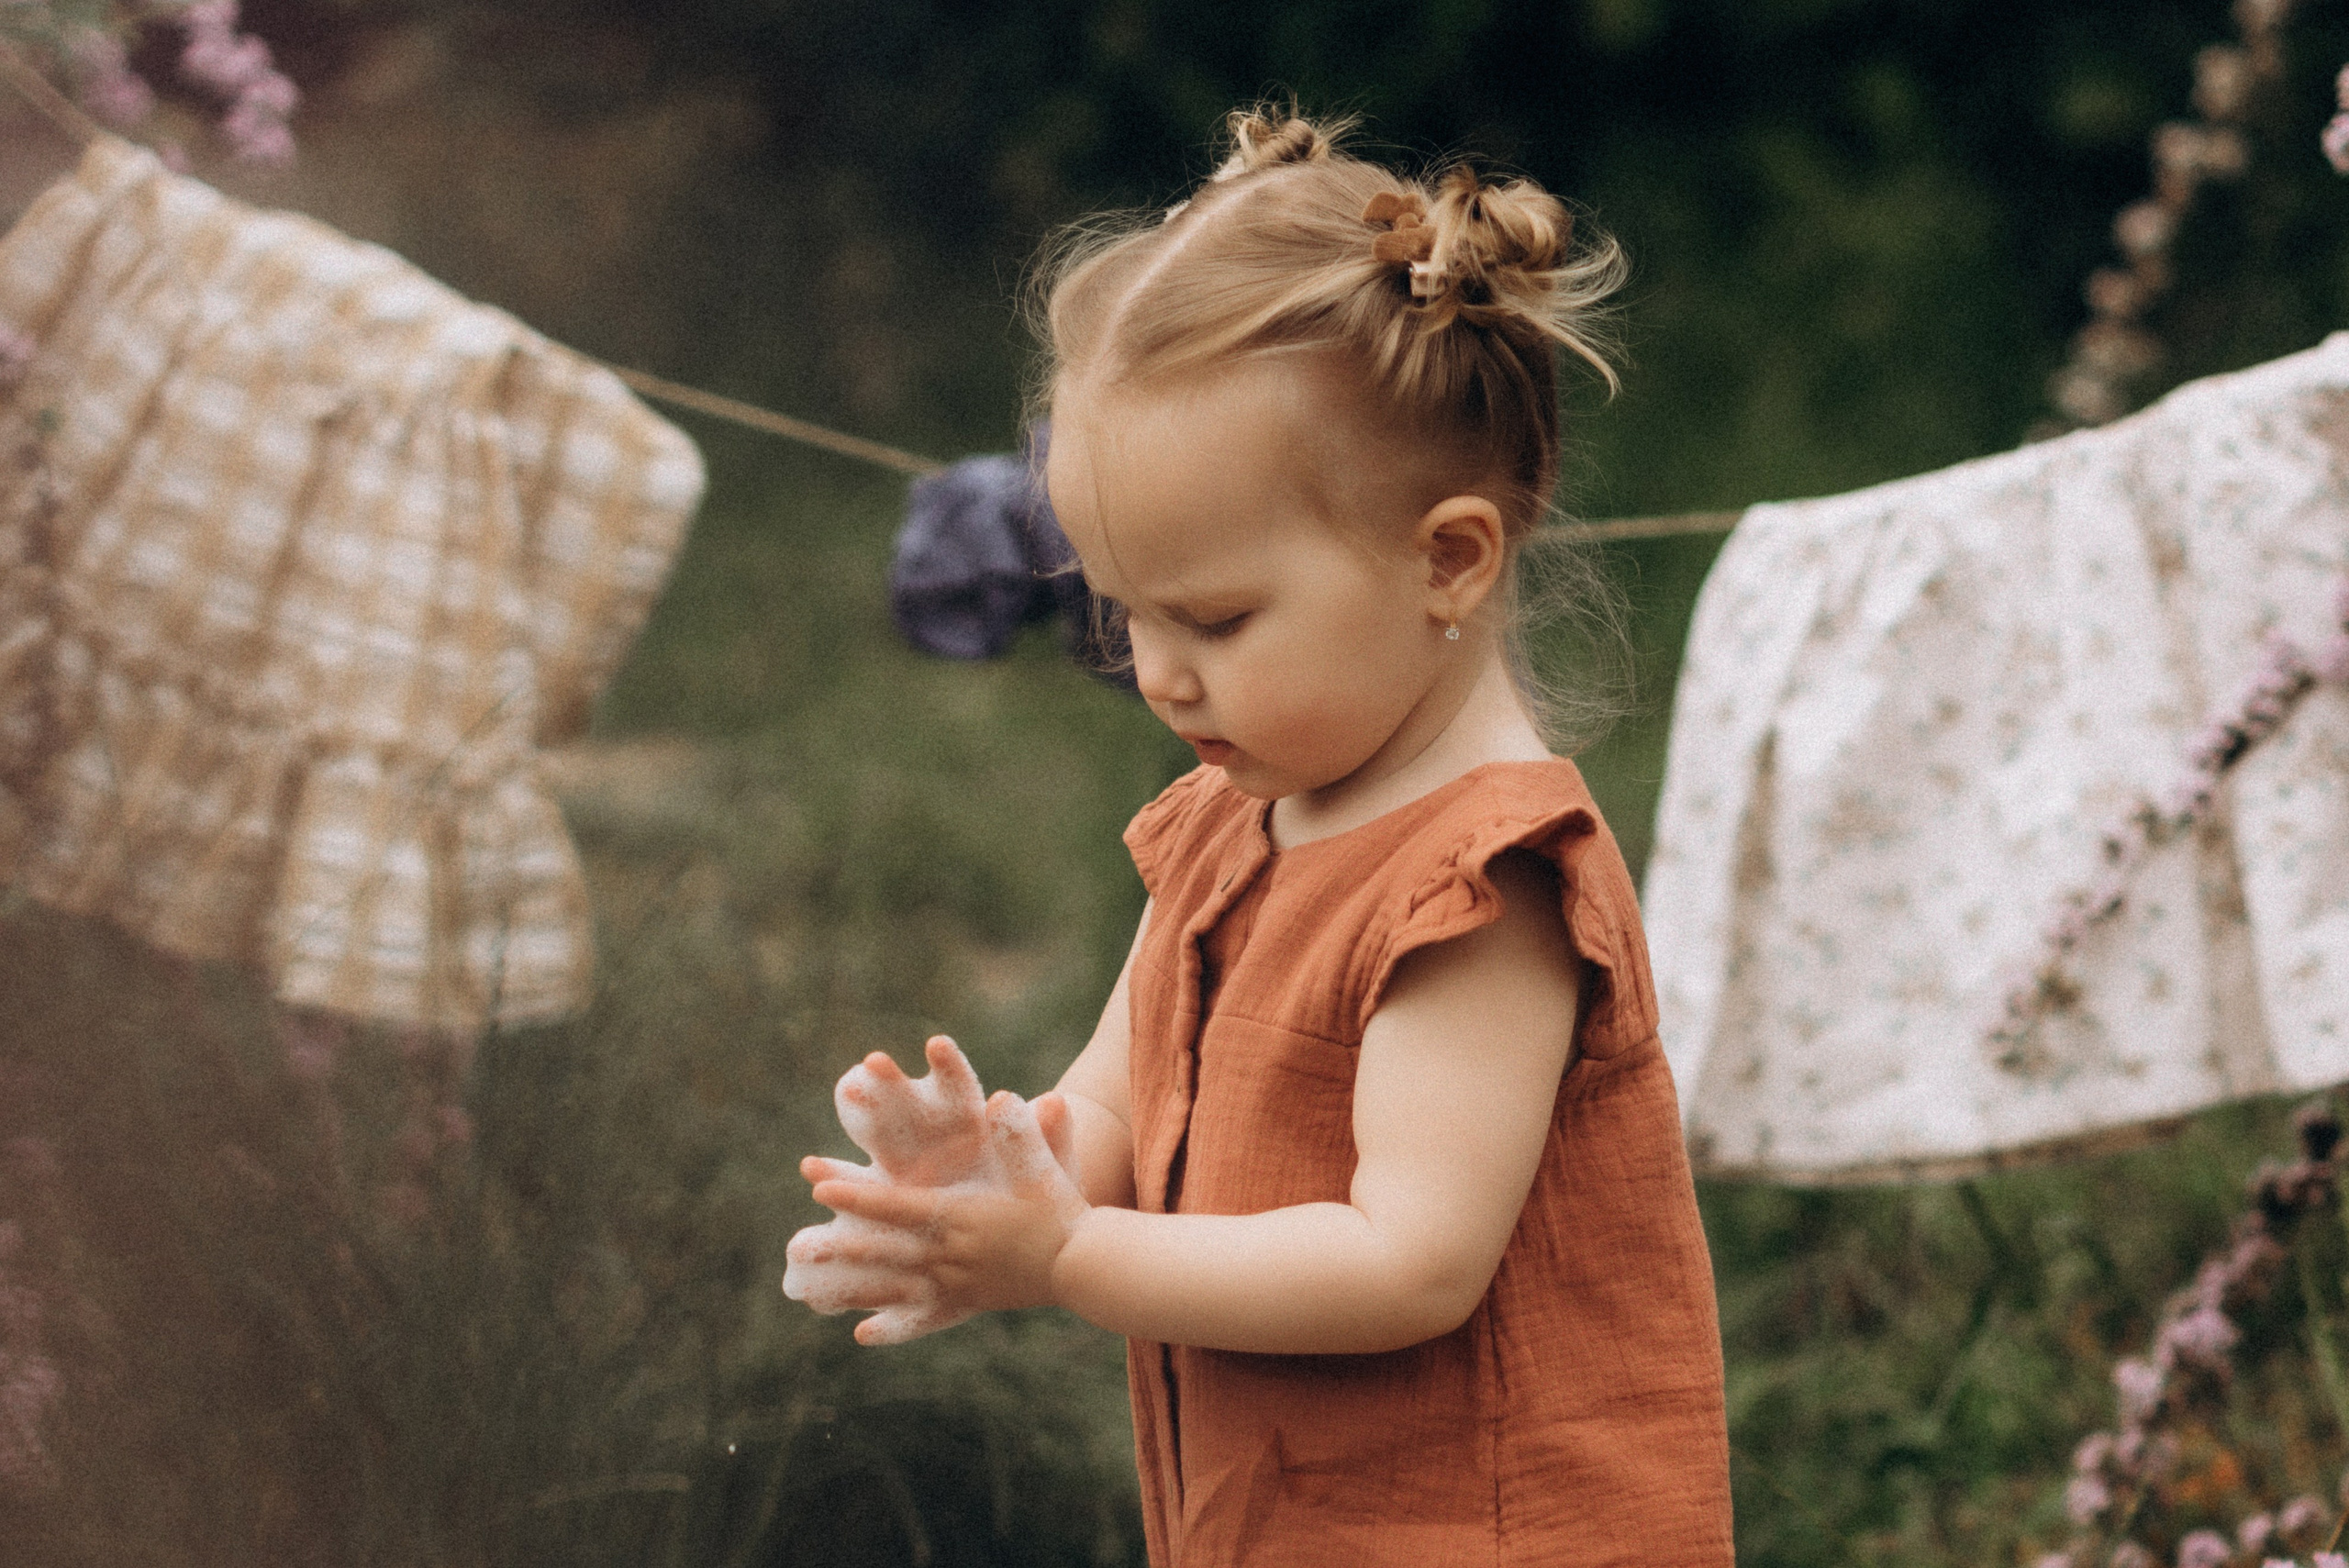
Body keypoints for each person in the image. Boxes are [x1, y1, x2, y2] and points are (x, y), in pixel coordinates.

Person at [785, 107, 1733, 1568]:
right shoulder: (1235, 825)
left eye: (1214, 618)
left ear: (1447, 559)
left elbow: (1410, 1259)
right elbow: (1111, 1112)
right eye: (1122, 611)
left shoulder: (1485, 886)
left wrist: (1070, 1258)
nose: (1157, 671)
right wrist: (995, 1183)